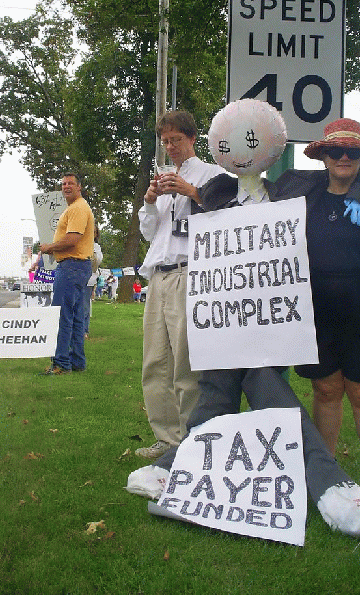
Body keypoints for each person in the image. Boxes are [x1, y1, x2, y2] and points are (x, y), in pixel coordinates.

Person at [127, 102, 360, 538]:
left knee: (261, 381)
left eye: (251, 142)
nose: (242, 152)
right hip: (225, 321)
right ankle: (177, 466)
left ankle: (327, 481)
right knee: (219, 391)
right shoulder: (215, 190)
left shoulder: (294, 185)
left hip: (270, 323)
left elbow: (342, 177)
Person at [293, 118, 360, 515]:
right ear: (324, 156)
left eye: (353, 151)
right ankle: (326, 474)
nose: (344, 158)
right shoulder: (306, 198)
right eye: (336, 151)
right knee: (326, 389)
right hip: (317, 305)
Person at [135, 110, 225, 459]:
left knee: (186, 363)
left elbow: (225, 213)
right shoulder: (162, 177)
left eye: (176, 140)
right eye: (165, 141)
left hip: (191, 272)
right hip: (158, 274)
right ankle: (166, 438)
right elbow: (148, 232)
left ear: (191, 138)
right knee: (155, 361)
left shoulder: (212, 175)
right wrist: (149, 202)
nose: (170, 147)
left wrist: (193, 192)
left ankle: (192, 440)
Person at [39, 173, 94, 375]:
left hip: (71, 266)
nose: (66, 186)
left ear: (79, 187)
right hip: (78, 266)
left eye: (71, 183)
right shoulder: (76, 207)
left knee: (63, 315)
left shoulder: (78, 208)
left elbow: (72, 239)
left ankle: (61, 363)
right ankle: (77, 362)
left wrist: (49, 247)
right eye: (63, 183)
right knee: (77, 316)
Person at [84, 226, 103, 338]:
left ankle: (84, 330)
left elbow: (97, 261)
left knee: (85, 306)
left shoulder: (96, 247)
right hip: (77, 278)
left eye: (94, 232)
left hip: (89, 281)